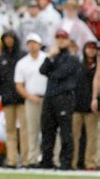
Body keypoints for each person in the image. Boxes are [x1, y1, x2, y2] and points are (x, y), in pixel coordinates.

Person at [39, 29, 80, 170]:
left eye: (63, 38)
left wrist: (52, 68)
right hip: (49, 97)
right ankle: (46, 161)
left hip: (64, 97)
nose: (60, 41)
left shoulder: (72, 58)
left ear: (68, 41)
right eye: (58, 38)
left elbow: (60, 73)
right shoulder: (53, 56)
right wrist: (50, 56)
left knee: (65, 132)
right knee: (47, 130)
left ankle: (65, 162)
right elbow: (42, 70)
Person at [0, 31, 27, 168]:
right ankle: (12, 159)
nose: (8, 41)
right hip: (7, 99)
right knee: (10, 130)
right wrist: (3, 92)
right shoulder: (0, 59)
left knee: (24, 130)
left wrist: (24, 92)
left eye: (10, 38)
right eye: (6, 39)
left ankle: (26, 160)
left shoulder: (23, 56)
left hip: (22, 98)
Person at [14, 33, 47, 168]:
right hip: (30, 98)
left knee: (49, 130)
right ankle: (32, 159)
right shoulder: (22, 63)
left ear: (40, 44)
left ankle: (48, 158)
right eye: (30, 43)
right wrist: (29, 96)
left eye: (35, 42)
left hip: (47, 99)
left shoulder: (47, 59)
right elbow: (19, 84)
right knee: (31, 130)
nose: (32, 45)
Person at [72, 40, 98, 170]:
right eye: (89, 48)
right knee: (74, 136)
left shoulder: (97, 66)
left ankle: (90, 162)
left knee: (92, 136)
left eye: (94, 48)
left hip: (91, 107)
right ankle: (74, 161)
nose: (91, 51)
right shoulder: (78, 64)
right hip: (77, 105)